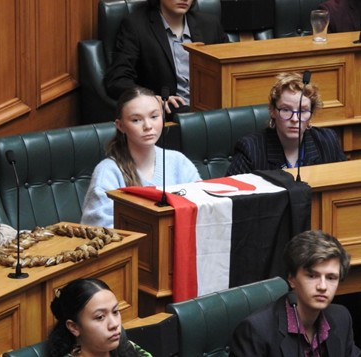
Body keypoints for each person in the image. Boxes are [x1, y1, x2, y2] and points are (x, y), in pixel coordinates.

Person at [80, 86, 201, 228]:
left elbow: (202, 208)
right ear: (120, 126)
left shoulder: (178, 161)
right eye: (136, 120)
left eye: (154, 117)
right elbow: (98, 228)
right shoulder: (108, 172)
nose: (148, 126)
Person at [229, 230, 361, 356]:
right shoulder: (256, 331)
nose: (322, 286)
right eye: (312, 276)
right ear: (291, 278)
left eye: (331, 278)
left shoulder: (341, 317)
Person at [104, 0, 228, 120]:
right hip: (171, 111)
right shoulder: (135, 25)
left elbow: (231, 67)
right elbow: (117, 80)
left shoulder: (210, 24)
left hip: (214, 104)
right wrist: (151, 99)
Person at [226, 72, 346, 176]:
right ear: (273, 111)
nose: (294, 118)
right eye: (286, 110)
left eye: (302, 111)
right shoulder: (251, 149)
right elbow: (230, 197)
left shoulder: (327, 141)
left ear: (311, 114)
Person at [48, 277, 152, 357]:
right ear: (74, 327)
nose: (114, 324)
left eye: (115, 312)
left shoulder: (126, 348)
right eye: (100, 317)